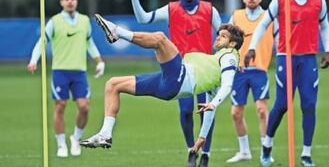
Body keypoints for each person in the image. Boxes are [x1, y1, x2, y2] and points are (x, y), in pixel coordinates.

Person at [79, 15, 244, 165]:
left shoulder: (229, 56)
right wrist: (202, 137)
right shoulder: (218, 61)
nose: (218, 38)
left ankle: (118, 32)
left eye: (223, 36)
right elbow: (209, 110)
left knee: (160, 39)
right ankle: (105, 134)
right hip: (167, 86)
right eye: (219, 34)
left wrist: (214, 104)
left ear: (232, 44)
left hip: (177, 79)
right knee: (113, 84)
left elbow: (227, 85)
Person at [129, 0, 222, 167]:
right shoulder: (170, 10)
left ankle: (206, 153)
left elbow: (223, 36)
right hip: (182, 70)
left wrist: (225, 59)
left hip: (205, 69)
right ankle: (191, 150)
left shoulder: (209, 10)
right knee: (186, 111)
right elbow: (143, 19)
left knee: (206, 111)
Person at [244, 0, 329, 166]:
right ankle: (267, 146)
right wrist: (252, 48)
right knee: (282, 105)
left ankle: (306, 154)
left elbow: (324, 25)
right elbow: (263, 24)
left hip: (308, 58)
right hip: (286, 57)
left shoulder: (319, 0)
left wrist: (328, 50)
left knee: (309, 106)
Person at [27, 0, 105, 157]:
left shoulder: (84, 21)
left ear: (76, 1)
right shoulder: (54, 21)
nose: (70, 1)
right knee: (60, 106)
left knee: (84, 107)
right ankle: (61, 145)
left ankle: (75, 138)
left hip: (79, 72)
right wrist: (34, 60)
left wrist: (99, 61)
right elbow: (42, 42)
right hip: (60, 71)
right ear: (61, 2)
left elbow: (89, 43)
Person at [226, 0, 277, 163]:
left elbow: (279, 39)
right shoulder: (236, 16)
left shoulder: (269, 17)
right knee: (235, 113)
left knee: (262, 110)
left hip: (259, 70)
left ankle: (266, 151)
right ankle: (244, 151)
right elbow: (227, 40)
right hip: (239, 71)